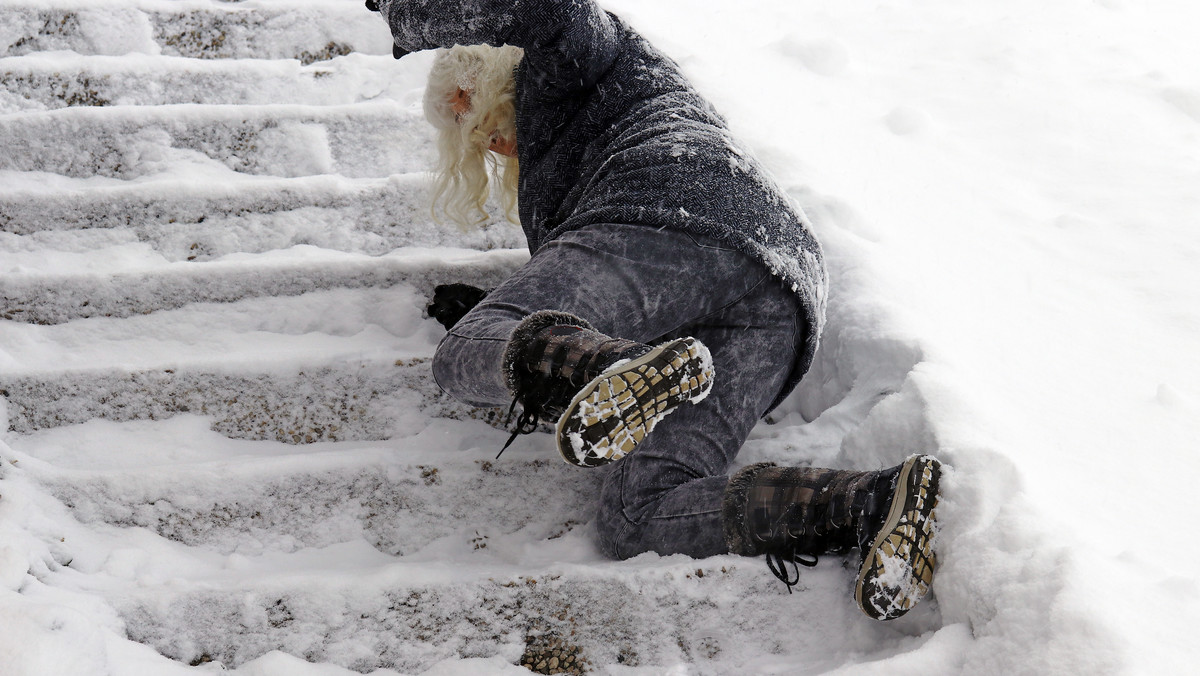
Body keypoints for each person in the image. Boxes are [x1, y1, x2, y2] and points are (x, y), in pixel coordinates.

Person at [368, 0, 941, 621]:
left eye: (475, 116)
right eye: (474, 139)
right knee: (632, 515)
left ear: (494, 75)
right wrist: (503, 310)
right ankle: (868, 505)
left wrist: (412, 11)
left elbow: (550, 8)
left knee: (460, 357)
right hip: (774, 287)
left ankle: (610, 367)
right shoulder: (593, 127)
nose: (492, 143)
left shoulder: (574, 63)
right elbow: (604, 289)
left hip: (670, 209)